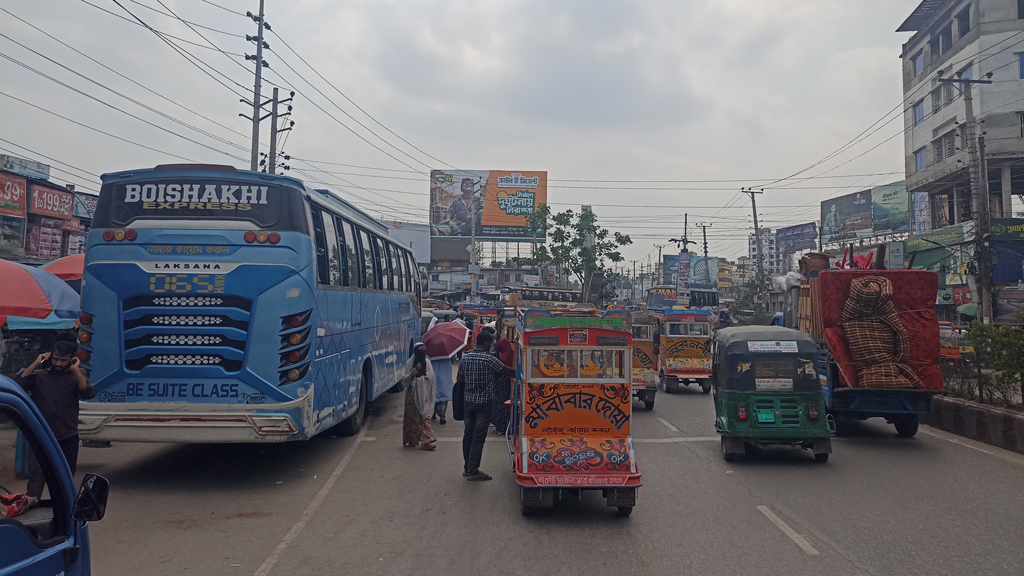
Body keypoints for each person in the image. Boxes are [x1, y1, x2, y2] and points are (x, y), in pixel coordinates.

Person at [14, 341, 97, 499]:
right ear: (50, 356)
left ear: (72, 359)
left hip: (68, 436)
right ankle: (32, 508)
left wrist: (76, 370)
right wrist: (37, 363)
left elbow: (89, 393)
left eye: (63, 360)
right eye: (56, 358)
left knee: (64, 479)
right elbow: (19, 384)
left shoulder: (77, 376)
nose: (58, 363)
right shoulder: (39, 375)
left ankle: (61, 514)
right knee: (36, 481)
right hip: (41, 436)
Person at [456, 331, 514, 481]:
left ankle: (467, 466)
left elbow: (459, 379)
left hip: (468, 402)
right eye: (491, 343)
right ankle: (473, 470)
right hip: (484, 403)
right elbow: (507, 371)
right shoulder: (489, 359)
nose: (492, 346)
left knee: (468, 434)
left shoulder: (465, 358)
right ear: (487, 343)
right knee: (478, 437)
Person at [402, 343, 437, 451]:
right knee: (411, 419)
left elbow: (430, 378)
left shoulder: (427, 363)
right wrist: (414, 373)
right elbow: (404, 379)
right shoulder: (409, 363)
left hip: (424, 395)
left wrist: (420, 379)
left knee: (423, 417)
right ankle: (411, 440)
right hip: (411, 395)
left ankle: (426, 441)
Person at [490, 338, 514, 435]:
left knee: (499, 405)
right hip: (508, 381)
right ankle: (504, 426)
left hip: (502, 383)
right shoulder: (511, 353)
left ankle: (501, 427)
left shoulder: (502, 357)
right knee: (505, 406)